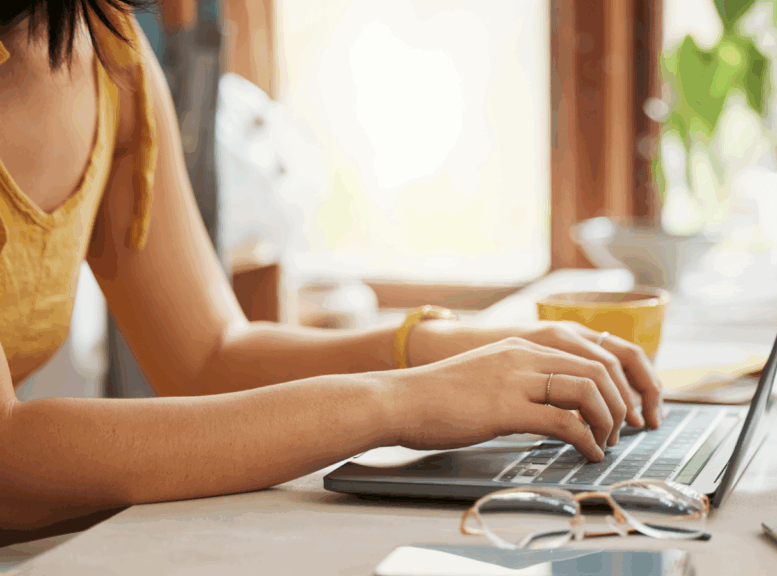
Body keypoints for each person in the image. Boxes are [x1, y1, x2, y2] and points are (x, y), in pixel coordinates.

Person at [0, 0, 663, 541]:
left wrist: (450, 350)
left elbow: (207, 355)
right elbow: (9, 464)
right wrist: (406, 402)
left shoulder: (106, 50)